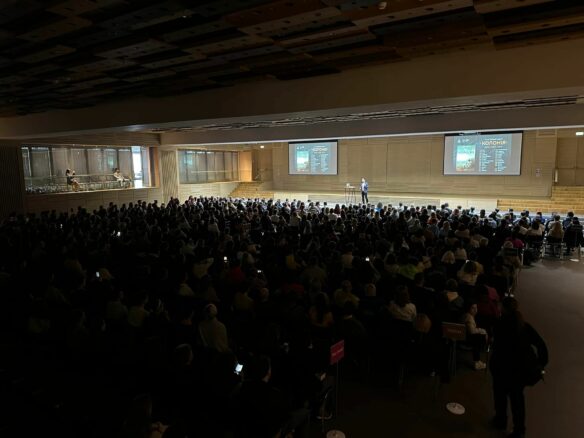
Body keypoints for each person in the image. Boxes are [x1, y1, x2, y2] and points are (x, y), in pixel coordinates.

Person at [490, 297, 548, 438]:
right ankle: (519, 430)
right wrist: (540, 364)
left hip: (501, 369)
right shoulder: (524, 326)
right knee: (517, 401)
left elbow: (496, 346)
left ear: (503, 308)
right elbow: (541, 345)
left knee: (500, 396)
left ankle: (501, 420)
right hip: (519, 372)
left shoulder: (498, 325)